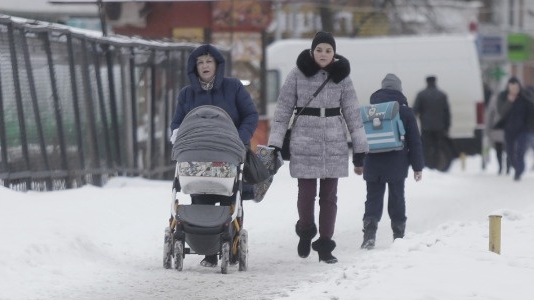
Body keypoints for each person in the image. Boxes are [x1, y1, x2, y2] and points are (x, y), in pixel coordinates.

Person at [266, 31, 368, 264]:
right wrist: (275, 144)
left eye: (328, 50)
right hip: (304, 139)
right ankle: (305, 230)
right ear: (312, 52)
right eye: (319, 50)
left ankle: (325, 245)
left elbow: (353, 114)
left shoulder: (342, 78)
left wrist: (360, 150)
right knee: (306, 194)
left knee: (329, 197)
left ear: (334, 53)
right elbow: (282, 112)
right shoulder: (297, 74)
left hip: (334, 140)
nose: (323, 54)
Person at [170, 44, 258, 267]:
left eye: (209, 61)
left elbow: (250, 114)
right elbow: (178, 123)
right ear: (194, 67)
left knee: (230, 198)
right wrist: (178, 136)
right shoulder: (187, 94)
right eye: (200, 62)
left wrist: (239, 138)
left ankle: (231, 241)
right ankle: (208, 250)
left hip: (230, 152)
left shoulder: (233, 87)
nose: (205, 66)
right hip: (198, 155)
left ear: (217, 65)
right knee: (200, 197)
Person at [360, 73, 424, 249]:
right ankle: (399, 235)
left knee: (372, 198)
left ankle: (369, 235)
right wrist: (418, 167)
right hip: (397, 162)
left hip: (372, 161)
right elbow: (415, 141)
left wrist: (358, 162)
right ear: (399, 90)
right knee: (397, 197)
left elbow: (359, 138)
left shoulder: (370, 111)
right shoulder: (404, 111)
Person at [492, 76, 534, 181]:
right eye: (512, 87)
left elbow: (533, 111)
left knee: (520, 150)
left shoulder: (525, 97)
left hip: (523, 129)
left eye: (516, 87)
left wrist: (531, 125)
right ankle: (516, 166)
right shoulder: (503, 97)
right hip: (508, 129)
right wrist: (509, 101)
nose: (514, 89)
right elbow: (501, 112)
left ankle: (519, 170)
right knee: (510, 151)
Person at [412, 75, 451, 171]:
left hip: (426, 127)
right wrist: (447, 127)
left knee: (425, 148)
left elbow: (415, 110)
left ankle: (427, 167)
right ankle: (436, 165)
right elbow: (447, 113)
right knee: (437, 148)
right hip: (439, 127)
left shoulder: (421, 94)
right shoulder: (442, 95)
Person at [484, 88, 506, 174]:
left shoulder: (494, 99)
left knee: (499, 149)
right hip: (506, 128)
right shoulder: (510, 98)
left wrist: (487, 129)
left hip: (497, 127)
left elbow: (489, 115)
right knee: (508, 149)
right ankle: (507, 166)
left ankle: (501, 166)